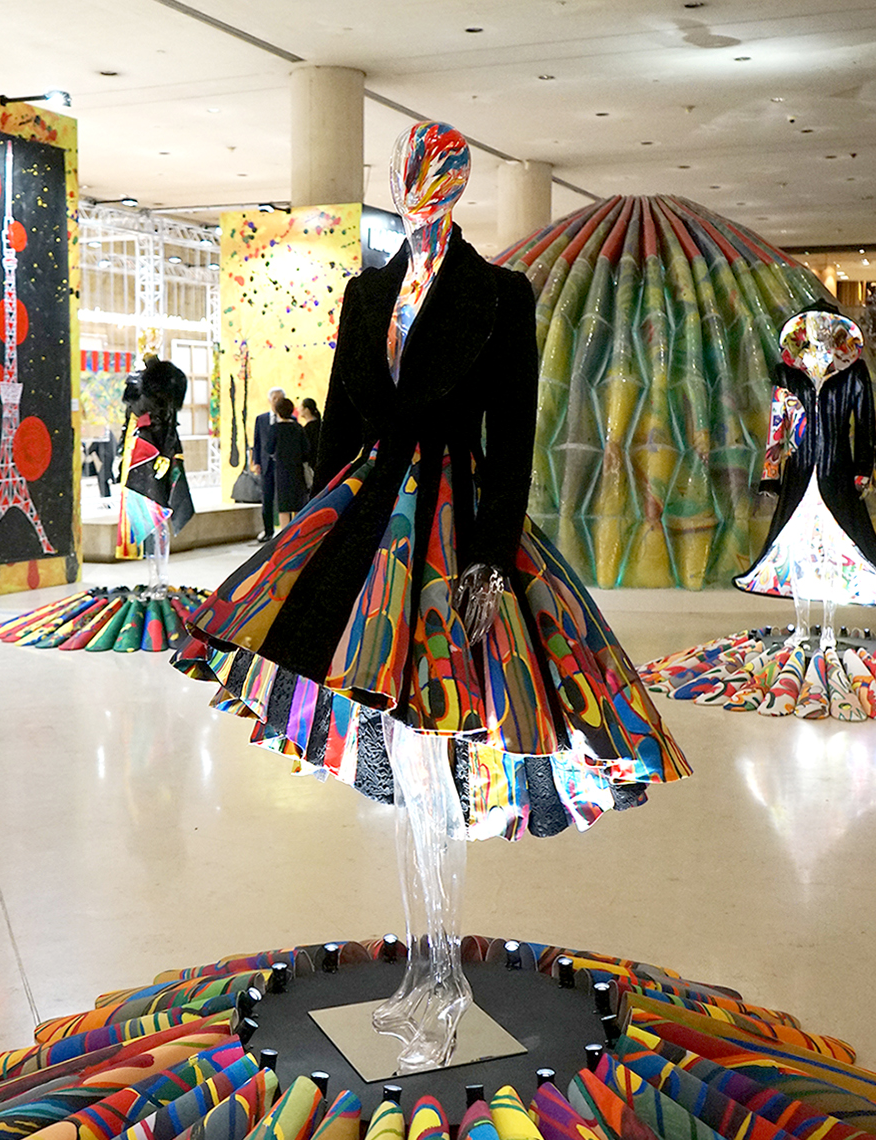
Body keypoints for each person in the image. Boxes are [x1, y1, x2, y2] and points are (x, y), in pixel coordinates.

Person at [176, 121, 689, 1069]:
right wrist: (314, 541)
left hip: (456, 534)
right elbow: (341, 424)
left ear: (458, 183)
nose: (419, 186)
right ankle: (427, 970)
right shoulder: (365, 292)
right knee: (408, 764)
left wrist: (489, 558)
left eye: (436, 172)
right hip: (369, 524)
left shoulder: (501, 294)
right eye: (409, 172)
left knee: (439, 752)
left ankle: (444, 970)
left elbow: (515, 435)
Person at [733, 308, 876, 651]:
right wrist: (771, 476)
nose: (820, 330)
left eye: (826, 325)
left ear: (836, 330)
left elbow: (865, 423)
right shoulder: (788, 374)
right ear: (803, 330)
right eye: (813, 325)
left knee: (833, 556)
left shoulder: (852, 372)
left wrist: (862, 470)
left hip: (837, 473)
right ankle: (801, 627)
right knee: (799, 555)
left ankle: (828, 628)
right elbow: (778, 425)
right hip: (799, 474)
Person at [116, 355, 194, 586]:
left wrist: (167, 454)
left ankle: (160, 575)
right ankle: (156, 575)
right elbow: (129, 422)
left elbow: (167, 424)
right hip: (145, 451)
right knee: (149, 515)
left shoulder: (164, 384)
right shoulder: (150, 384)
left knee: (159, 513)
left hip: (155, 450)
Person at [265, 397, 309, 527]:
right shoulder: (298, 428)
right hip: (297, 470)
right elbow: (306, 450)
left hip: (282, 471)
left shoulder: (275, 429)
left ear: (277, 412)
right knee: (298, 504)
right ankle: (298, 532)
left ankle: (285, 533)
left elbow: (268, 448)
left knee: (284, 506)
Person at [251, 386, 284, 542]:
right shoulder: (261, 419)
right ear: (269, 400)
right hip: (266, 465)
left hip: (283, 466)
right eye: (275, 398)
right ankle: (268, 531)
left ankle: (285, 530)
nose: (277, 401)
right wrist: (257, 461)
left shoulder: (290, 419)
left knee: (283, 499)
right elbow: (257, 442)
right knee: (267, 498)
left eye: (280, 399)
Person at [298, 397, 321, 467]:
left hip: (312, 463)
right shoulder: (320, 424)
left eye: (301, 407)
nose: (298, 410)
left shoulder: (307, 429)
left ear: (306, 410)